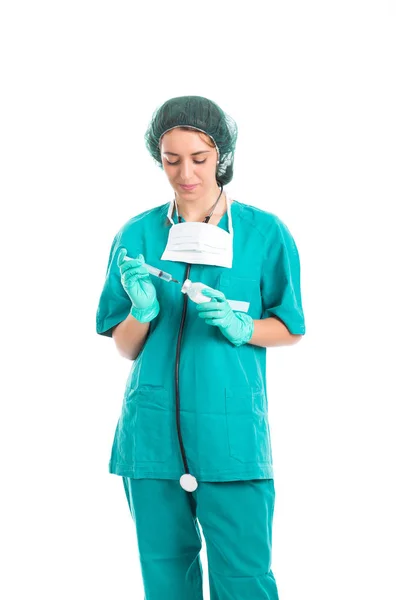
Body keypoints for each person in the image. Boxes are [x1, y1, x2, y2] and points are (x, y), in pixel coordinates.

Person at [96, 95, 306, 600]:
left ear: (222, 157)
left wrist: (243, 327)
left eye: (199, 158)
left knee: (245, 578)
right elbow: (125, 346)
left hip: (231, 438)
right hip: (152, 437)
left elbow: (291, 326)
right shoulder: (137, 234)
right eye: (171, 160)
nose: (185, 172)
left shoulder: (264, 233)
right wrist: (142, 313)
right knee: (166, 577)